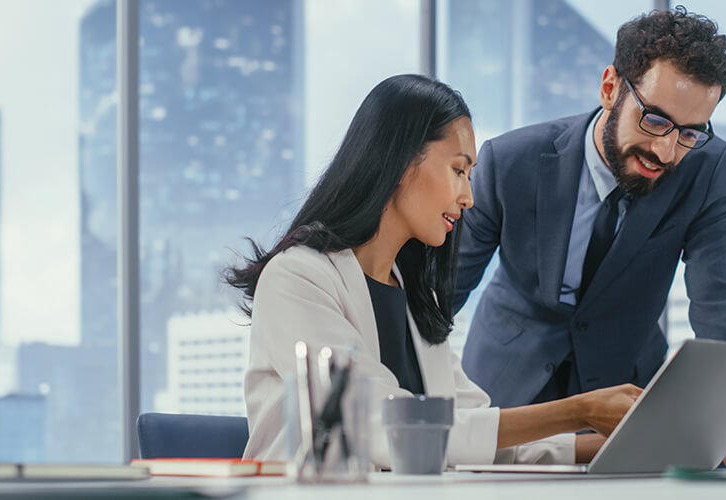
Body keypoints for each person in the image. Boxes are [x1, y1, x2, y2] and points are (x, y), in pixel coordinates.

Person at [451, 8, 726, 467]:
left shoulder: (709, 169)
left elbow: (721, 309)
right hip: (509, 397)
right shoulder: (510, 160)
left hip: (626, 403)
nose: (666, 150)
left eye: (689, 133)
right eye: (655, 121)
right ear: (609, 88)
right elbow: (437, 300)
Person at [226, 74, 641, 468]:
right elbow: (380, 427)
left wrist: (616, 444)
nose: (469, 197)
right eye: (459, 170)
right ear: (403, 163)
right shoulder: (297, 279)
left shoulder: (413, 295)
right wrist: (578, 410)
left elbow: (472, 435)